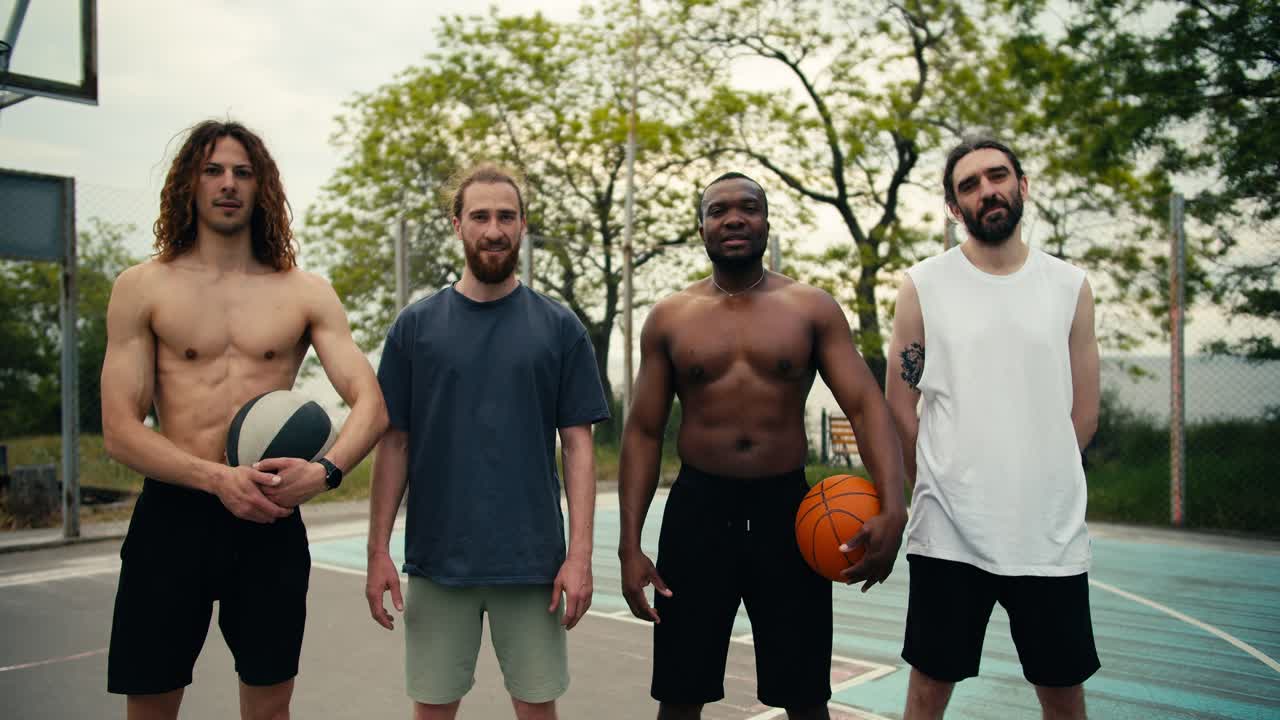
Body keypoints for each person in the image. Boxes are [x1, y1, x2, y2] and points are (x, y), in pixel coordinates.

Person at [101, 119, 388, 719]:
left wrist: (326, 473)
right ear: (189, 183)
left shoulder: (305, 292)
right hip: (174, 514)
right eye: (213, 170)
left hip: (269, 516)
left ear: (262, 187)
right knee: (151, 703)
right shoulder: (143, 286)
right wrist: (214, 479)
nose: (227, 184)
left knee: (269, 707)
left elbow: (371, 404)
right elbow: (120, 430)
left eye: (242, 172)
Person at [617, 172, 909, 720]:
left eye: (747, 208)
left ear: (766, 222)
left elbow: (867, 406)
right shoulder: (669, 318)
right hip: (698, 511)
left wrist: (894, 505)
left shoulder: (810, 308)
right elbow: (643, 432)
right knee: (680, 693)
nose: (733, 218)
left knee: (804, 695)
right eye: (718, 210)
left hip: (788, 514)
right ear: (700, 226)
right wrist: (629, 545)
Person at [365, 163, 611, 720]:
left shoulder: (560, 327)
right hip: (437, 562)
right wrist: (379, 550)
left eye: (506, 216)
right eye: (480, 216)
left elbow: (577, 447)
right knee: (431, 711)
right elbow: (394, 444)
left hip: (533, 566)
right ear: (457, 225)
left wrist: (579, 556)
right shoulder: (414, 328)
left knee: (537, 710)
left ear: (523, 225)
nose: (493, 228)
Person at [885, 138, 1101, 720]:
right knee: (928, 689)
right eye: (969, 185)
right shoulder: (924, 284)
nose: (987, 190)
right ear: (955, 208)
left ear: (1022, 186)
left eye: (997, 176)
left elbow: (1085, 411)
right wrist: (928, 481)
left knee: (1063, 695)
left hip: (1047, 533)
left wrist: (1044, 474)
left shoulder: (1069, 286)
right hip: (950, 529)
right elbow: (900, 406)